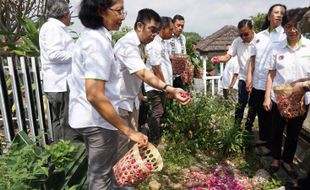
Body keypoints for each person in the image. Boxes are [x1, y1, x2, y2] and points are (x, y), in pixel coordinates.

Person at [68, 0, 149, 189]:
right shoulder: (96, 43)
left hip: (95, 119)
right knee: (100, 179)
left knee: (103, 173)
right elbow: (95, 95)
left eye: (123, 11)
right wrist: (129, 131)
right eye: (119, 11)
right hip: (98, 121)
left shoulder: (96, 37)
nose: (122, 17)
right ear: (100, 11)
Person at [114, 10, 191, 160]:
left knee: (131, 146)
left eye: (157, 30)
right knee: (121, 148)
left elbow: (130, 75)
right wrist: (170, 88)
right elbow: (143, 73)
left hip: (131, 101)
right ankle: (117, 181)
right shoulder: (127, 44)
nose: (155, 34)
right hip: (120, 102)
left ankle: (127, 180)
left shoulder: (142, 45)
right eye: (152, 29)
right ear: (139, 26)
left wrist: (139, 94)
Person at [263, 7, 310, 179]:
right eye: (288, 26)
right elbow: (271, 74)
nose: (292, 30)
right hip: (279, 99)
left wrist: (304, 85)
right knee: (276, 130)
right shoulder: (277, 48)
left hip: (302, 99)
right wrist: (267, 97)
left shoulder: (309, 48)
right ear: (283, 27)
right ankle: (276, 158)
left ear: (301, 26)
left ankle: (287, 160)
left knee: (293, 133)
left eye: (295, 26)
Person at [247, 3, 287, 156]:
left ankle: (272, 145)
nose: (279, 15)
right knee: (260, 110)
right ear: (269, 15)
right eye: (276, 12)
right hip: (258, 80)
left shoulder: (284, 35)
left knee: (272, 114)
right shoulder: (260, 36)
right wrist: (250, 77)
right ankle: (264, 138)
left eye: (281, 13)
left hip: (274, 81)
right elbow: (252, 58)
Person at [39, 0, 81, 142]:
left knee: (59, 122)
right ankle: (67, 153)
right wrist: (77, 54)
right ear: (64, 14)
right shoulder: (53, 28)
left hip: (57, 82)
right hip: (60, 82)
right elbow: (54, 54)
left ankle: (60, 151)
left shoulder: (52, 27)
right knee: (66, 123)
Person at [210, 19, 257, 136]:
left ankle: (248, 128)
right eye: (240, 34)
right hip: (242, 77)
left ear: (252, 30)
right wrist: (218, 58)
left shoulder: (259, 40)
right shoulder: (237, 41)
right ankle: (236, 127)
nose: (243, 37)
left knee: (253, 105)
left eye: (246, 34)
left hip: (257, 79)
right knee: (241, 104)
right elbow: (227, 56)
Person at [143, 16, 174, 144]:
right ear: (163, 28)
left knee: (159, 112)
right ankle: (154, 139)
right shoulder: (154, 45)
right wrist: (165, 87)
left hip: (159, 85)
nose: (172, 32)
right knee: (157, 112)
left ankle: (155, 135)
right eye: (170, 29)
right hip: (155, 86)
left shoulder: (161, 43)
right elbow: (156, 69)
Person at [168, 14, 187, 88]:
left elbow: (184, 53)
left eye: (182, 26)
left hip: (179, 74)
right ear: (173, 24)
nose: (180, 28)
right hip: (168, 72)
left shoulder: (183, 38)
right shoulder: (168, 36)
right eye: (178, 25)